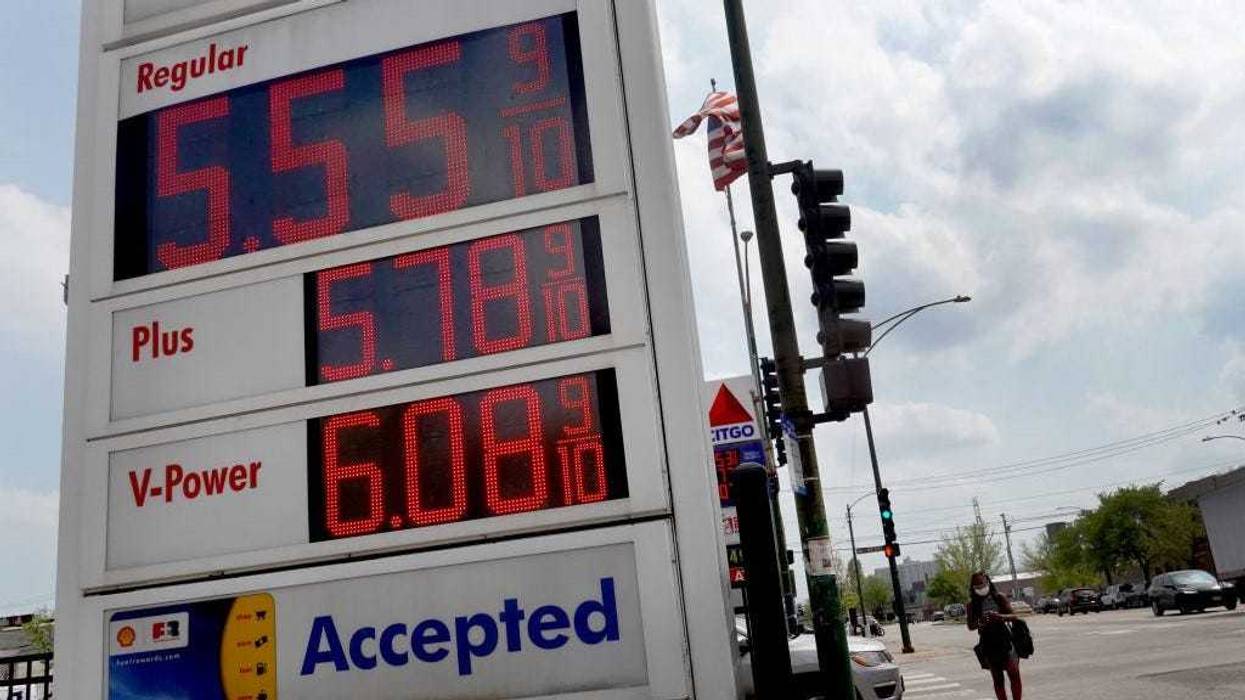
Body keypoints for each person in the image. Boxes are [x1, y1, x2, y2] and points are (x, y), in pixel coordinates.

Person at [967, 572, 1022, 699]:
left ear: (988, 582)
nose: (981, 588)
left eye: (982, 584)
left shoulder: (999, 597)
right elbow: (970, 626)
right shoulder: (971, 605)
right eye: (977, 586)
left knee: (1013, 673)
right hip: (988, 644)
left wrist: (999, 617)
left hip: (1005, 640)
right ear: (973, 588)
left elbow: (1014, 616)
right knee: (998, 679)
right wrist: (981, 621)